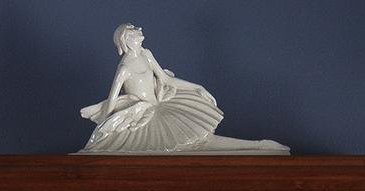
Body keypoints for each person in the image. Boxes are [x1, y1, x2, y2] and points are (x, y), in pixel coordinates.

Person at [78, 24, 287, 155]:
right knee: (198, 145)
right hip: (143, 117)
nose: (140, 32)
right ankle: (259, 147)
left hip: (160, 107)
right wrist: (106, 124)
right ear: (126, 40)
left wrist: (199, 88)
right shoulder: (124, 68)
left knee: (202, 142)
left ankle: (260, 146)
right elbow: (112, 100)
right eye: (134, 32)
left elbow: (167, 81)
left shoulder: (146, 54)